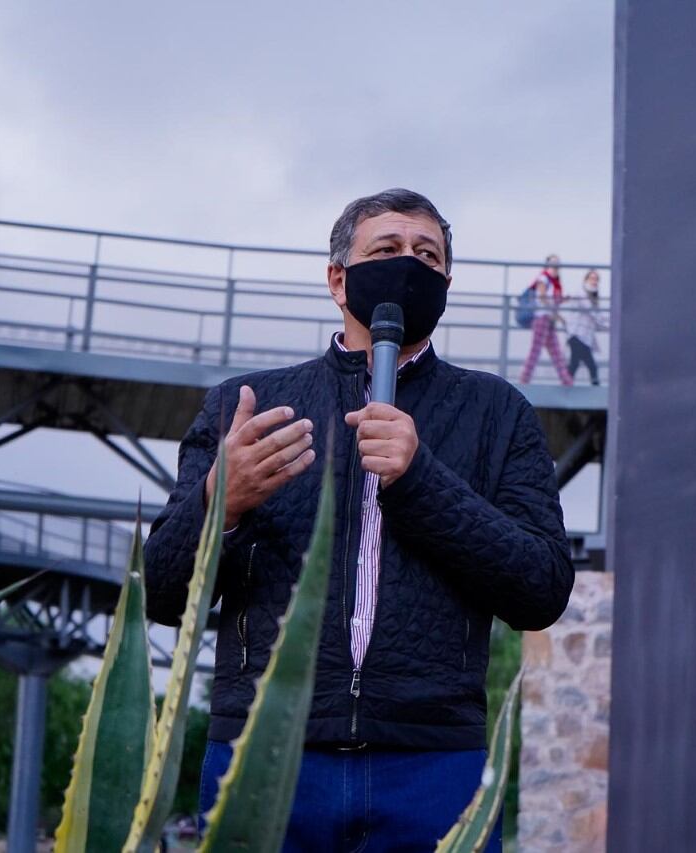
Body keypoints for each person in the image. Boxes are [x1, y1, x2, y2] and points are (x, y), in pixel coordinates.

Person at [143, 189, 574, 852]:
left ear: (448, 283)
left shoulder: (499, 412)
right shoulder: (247, 407)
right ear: (338, 278)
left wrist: (420, 478)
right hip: (265, 755)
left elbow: (541, 587)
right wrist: (219, 501)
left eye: (428, 255)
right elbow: (164, 592)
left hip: (433, 765)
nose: (409, 265)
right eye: (387, 250)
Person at [518, 254, 573, 386]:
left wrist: (562, 301)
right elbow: (542, 298)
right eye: (553, 263)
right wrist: (557, 315)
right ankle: (524, 380)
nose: (555, 266)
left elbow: (549, 299)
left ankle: (566, 381)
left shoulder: (555, 282)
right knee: (536, 351)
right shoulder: (543, 278)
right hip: (542, 318)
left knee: (556, 352)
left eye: (557, 263)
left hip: (548, 320)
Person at [563, 268, 609, 386]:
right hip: (577, 335)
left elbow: (597, 316)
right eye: (592, 278)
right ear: (586, 279)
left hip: (583, 337)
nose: (594, 281)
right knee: (590, 366)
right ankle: (595, 388)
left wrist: (608, 322)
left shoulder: (593, 296)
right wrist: (611, 324)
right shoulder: (581, 293)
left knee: (575, 364)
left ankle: (566, 387)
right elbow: (594, 313)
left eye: (596, 279)